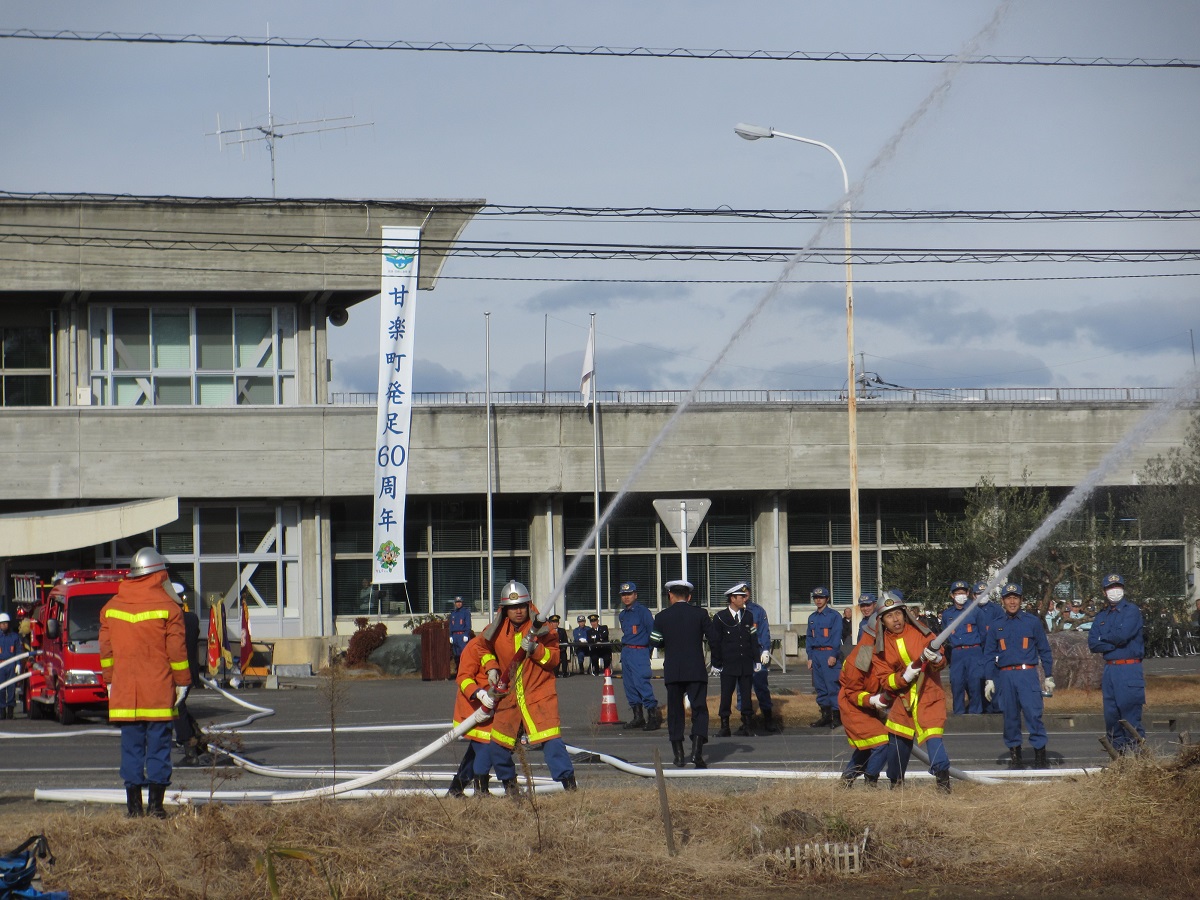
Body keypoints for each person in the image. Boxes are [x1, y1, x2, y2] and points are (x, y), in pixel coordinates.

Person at [99, 547, 192, 818]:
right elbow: (177, 652)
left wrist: (109, 681)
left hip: (125, 693)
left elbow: (106, 652)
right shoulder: (169, 608)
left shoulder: (111, 609)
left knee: (131, 748)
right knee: (160, 747)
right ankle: (156, 807)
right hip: (159, 692)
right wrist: (183, 682)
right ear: (158, 574)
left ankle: (133, 808)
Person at [485, 580, 576, 793]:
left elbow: (554, 659)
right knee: (498, 747)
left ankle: (570, 788)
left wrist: (535, 649)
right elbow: (482, 649)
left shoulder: (543, 630)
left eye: (522, 606)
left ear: (528, 605)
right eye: (513, 607)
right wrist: (491, 667)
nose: (518, 611)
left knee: (552, 743)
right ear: (504, 610)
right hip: (508, 698)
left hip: (538, 695)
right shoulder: (495, 630)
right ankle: (511, 789)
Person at [871, 590, 952, 792]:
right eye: (889, 616)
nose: (895, 619)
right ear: (882, 621)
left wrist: (936, 660)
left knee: (933, 739)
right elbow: (884, 678)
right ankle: (896, 785)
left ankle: (943, 785)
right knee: (897, 743)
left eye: (898, 613)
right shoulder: (879, 648)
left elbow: (941, 660)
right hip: (902, 700)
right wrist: (903, 678)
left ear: (905, 613)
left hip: (928, 695)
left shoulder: (923, 633)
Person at [984, 583, 1054, 769]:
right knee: (1010, 718)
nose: (1012, 601)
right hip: (1005, 677)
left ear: (1021, 600)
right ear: (1002, 601)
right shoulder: (996, 625)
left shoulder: (1032, 622)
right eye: (1008, 598)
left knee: (1033, 715)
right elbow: (989, 654)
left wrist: (1049, 675)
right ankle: (1016, 759)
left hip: (1027, 674)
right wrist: (989, 679)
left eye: (1016, 597)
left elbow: (1044, 650)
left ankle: (1040, 758)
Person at [650, 579, 712, 768]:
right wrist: (717, 662)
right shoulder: (700, 614)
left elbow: (656, 641)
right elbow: (714, 638)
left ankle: (678, 755)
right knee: (699, 710)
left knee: (675, 712)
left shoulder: (661, 617)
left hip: (673, 670)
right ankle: (697, 752)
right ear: (689, 596)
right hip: (695, 669)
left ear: (670, 596)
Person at [1087, 573, 1146, 755]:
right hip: (1110, 670)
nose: (1114, 590)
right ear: (1104, 592)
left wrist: (1104, 639)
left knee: (1130, 719)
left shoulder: (1132, 611)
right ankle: (1118, 762)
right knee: (1111, 719)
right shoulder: (1102, 616)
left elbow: (1123, 636)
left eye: (1117, 586)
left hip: (1129, 669)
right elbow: (1093, 644)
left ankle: (1140, 762)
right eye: (1110, 588)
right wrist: (1112, 641)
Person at [448, 633, 508, 796]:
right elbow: (463, 678)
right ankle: (481, 791)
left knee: (476, 753)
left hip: (494, 710)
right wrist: (479, 694)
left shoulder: (503, 646)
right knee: (486, 750)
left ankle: (456, 790)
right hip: (474, 711)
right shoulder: (475, 647)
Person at [838, 612, 888, 787]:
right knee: (882, 742)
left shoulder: (878, 650)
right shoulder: (864, 654)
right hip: (854, 706)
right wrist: (872, 701)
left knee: (867, 747)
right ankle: (870, 781)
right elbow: (853, 691)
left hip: (868, 705)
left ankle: (846, 780)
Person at [709, 583, 758, 738]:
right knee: (726, 695)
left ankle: (747, 724)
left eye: (744, 596)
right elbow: (715, 642)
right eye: (741, 596)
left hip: (745, 662)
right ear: (732, 598)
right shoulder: (720, 617)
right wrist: (716, 663)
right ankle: (725, 726)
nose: (744, 599)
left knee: (746, 694)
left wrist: (756, 659)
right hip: (728, 663)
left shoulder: (748, 615)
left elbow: (753, 638)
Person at [616, 582, 661, 731]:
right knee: (629, 686)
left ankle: (653, 717)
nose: (626, 597)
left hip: (639, 651)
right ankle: (638, 716)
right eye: (624, 595)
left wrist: (648, 651)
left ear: (635, 595)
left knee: (642, 683)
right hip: (627, 651)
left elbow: (652, 632)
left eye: (629, 594)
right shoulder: (622, 615)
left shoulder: (643, 612)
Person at [736, 583, 780, 733]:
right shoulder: (733, 611)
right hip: (741, 655)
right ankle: (746, 721)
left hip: (757, 654)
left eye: (746, 592)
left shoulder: (758, 611)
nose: (744, 596)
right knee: (742, 690)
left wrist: (766, 650)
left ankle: (768, 720)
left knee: (761, 687)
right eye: (741, 594)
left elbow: (764, 631)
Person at [171, 585, 205, 766]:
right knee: (179, 705)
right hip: (191, 670)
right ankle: (197, 739)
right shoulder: (191, 618)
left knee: (177, 708)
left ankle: (190, 747)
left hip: (177, 671)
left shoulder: (171, 620)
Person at [940, 580, 985, 715]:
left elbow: (983, 633)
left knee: (975, 684)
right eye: (957, 593)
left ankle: (975, 713)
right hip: (957, 652)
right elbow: (945, 634)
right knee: (956, 683)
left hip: (974, 651)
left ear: (968, 593)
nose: (960, 595)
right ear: (952, 596)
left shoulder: (975, 611)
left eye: (963, 592)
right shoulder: (947, 614)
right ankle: (958, 714)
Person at [805, 586, 842, 728]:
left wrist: (833, 654)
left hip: (828, 653)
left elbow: (836, 636)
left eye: (821, 597)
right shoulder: (812, 618)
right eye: (816, 598)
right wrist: (809, 656)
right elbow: (809, 637)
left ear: (827, 599)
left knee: (832, 686)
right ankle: (825, 716)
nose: (818, 600)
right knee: (820, 687)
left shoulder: (834, 616)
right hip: (816, 654)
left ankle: (837, 717)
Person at [973, 580, 1005, 714]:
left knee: (993, 679)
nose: (982, 596)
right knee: (976, 682)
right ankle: (980, 709)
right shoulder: (970, 609)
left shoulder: (996, 609)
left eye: (985, 593)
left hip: (992, 650)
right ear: (973, 595)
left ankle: (996, 709)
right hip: (976, 650)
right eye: (979, 593)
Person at [0, 613, 22, 718]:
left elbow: (18, 651)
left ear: (8, 624)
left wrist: (18, 664)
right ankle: (2, 710)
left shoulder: (15, 637)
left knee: (11, 688)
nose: (3, 625)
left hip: (11, 664)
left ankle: (10, 711)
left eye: (5, 623)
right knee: (1, 689)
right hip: (1, 665)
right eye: (1, 624)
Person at [448, 596, 471, 672]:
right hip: (455, 636)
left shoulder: (465, 612)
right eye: (457, 602)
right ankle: (458, 671)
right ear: (455, 603)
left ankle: (465, 671)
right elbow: (451, 625)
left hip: (462, 636)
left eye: (460, 602)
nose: (458, 604)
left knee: (464, 655)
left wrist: (466, 634)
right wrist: (450, 635)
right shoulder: (453, 613)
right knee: (456, 655)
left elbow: (468, 624)